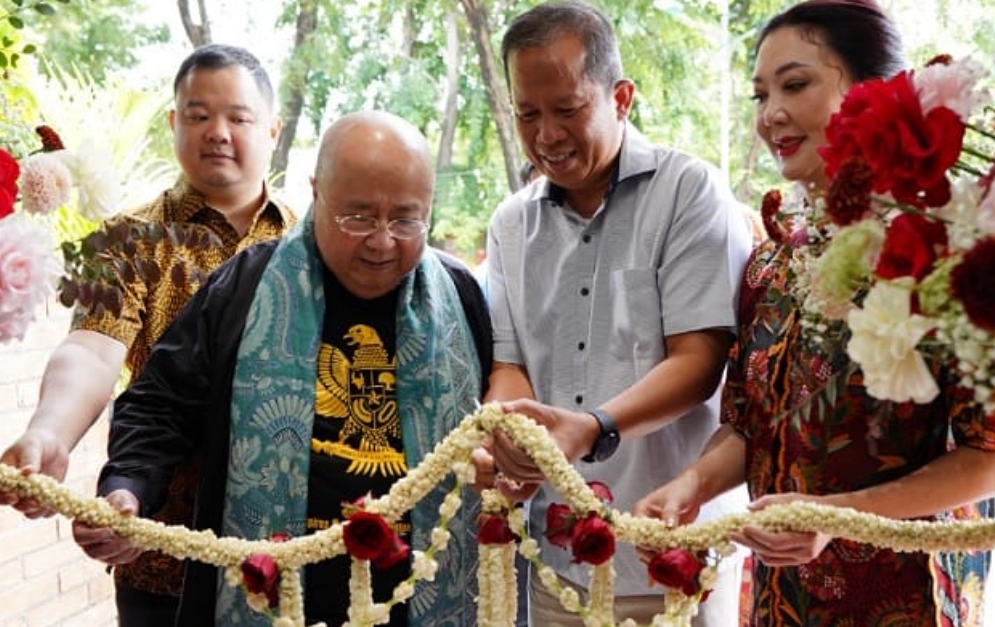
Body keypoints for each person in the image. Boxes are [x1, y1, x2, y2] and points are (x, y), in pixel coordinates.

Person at [633, 1, 995, 625]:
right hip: (782, 596)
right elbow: (749, 427)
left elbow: (986, 456)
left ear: (872, 93)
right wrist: (690, 486)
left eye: (794, 84)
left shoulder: (938, 248)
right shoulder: (772, 262)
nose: (770, 114)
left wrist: (840, 514)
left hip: (908, 595)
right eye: (759, 94)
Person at [73, 110, 493, 627]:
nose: (382, 241)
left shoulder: (460, 295)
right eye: (358, 217)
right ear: (317, 193)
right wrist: (127, 488)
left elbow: (496, 423)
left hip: (420, 594)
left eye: (406, 219)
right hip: (277, 597)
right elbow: (161, 404)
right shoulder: (247, 287)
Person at [0, 44, 295, 626]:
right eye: (197, 114)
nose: (217, 132)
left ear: (272, 129)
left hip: (285, 559)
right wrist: (49, 432)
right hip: (157, 551)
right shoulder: (124, 241)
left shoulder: (310, 249)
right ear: (172, 122)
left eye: (238, 117)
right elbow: (90, 347)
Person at [477, 2, 752, 626]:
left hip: (677, 553)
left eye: (567, 110)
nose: (546, 134)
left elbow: (699, 361)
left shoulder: (689, 192)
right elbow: (511, 365)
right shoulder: (511, 223)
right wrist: (512, 435)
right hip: (560, 557)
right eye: (528, 114)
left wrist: (592, 426)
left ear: (621, 97)